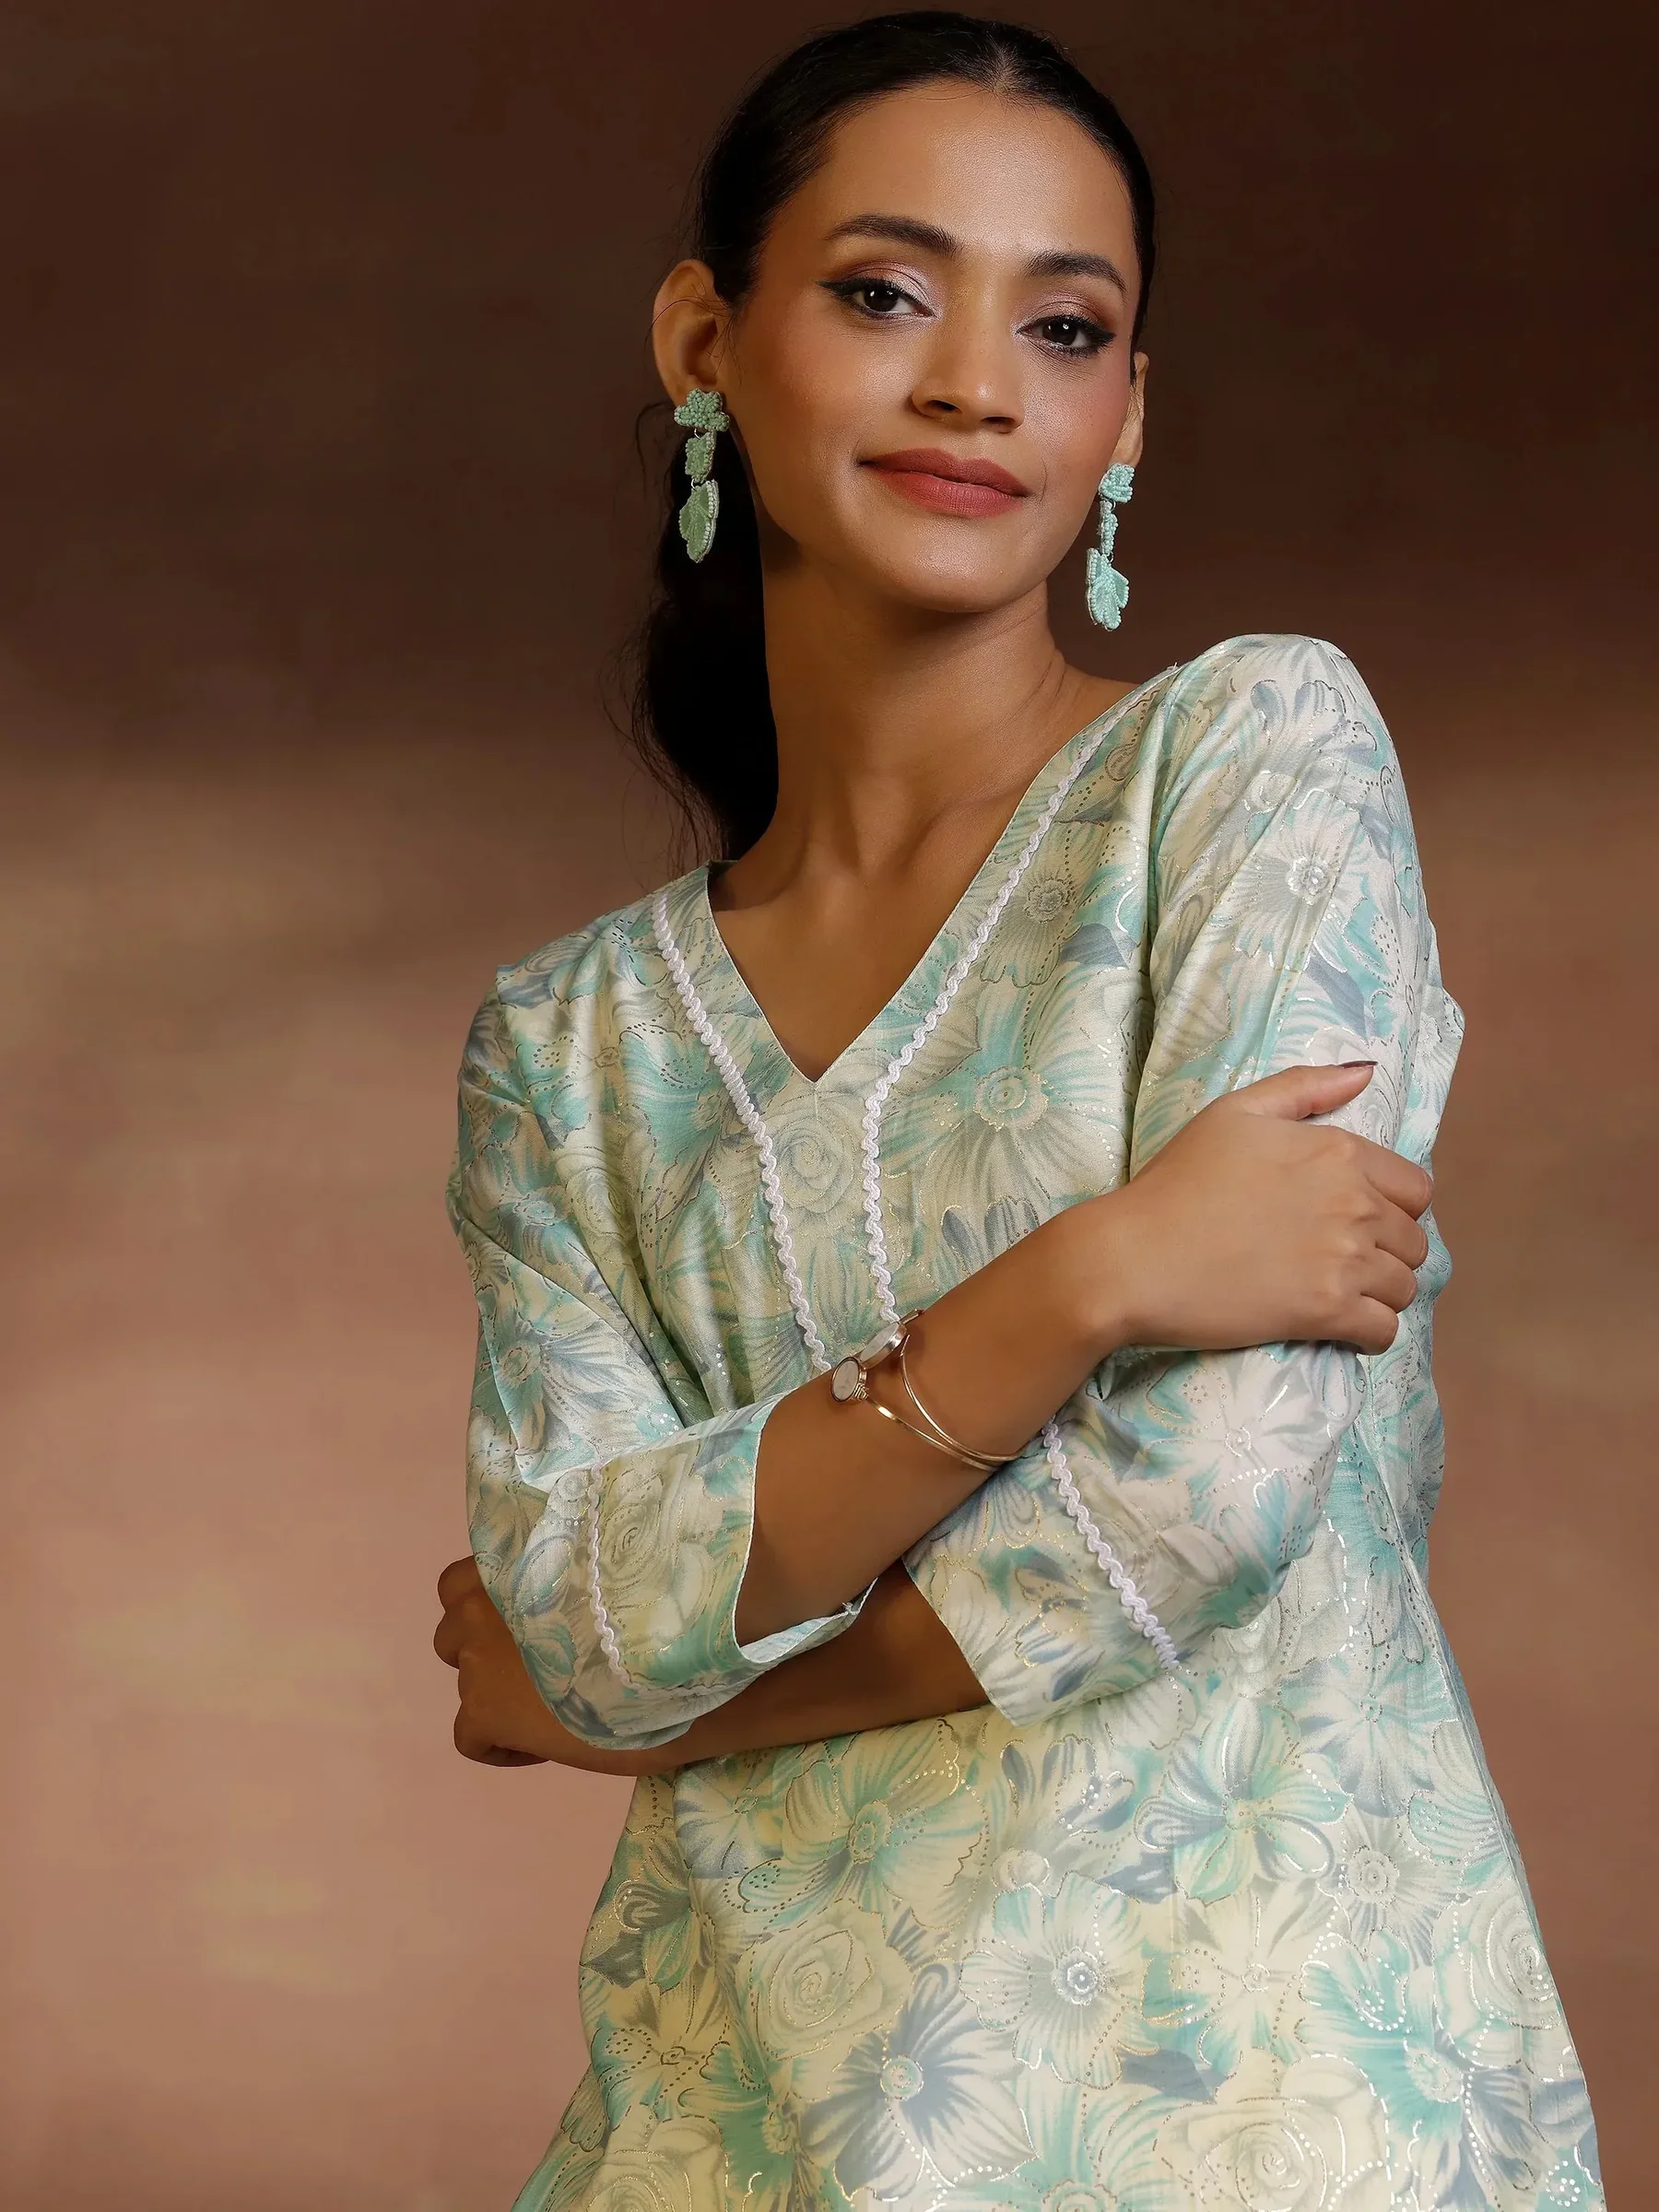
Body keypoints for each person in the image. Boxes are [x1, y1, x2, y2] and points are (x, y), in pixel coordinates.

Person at [432, 15, 1601, 2207]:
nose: (980, 383)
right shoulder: (567, 1048)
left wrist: (657, 1694)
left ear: (1125, 412)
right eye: (888, 291)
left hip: (1267, 2114)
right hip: (735, 2133)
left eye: (1065, 328)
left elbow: (1206, 1499)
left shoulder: (1248, 766)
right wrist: (1092, 1279)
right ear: (705, 340)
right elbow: (566, 1596)